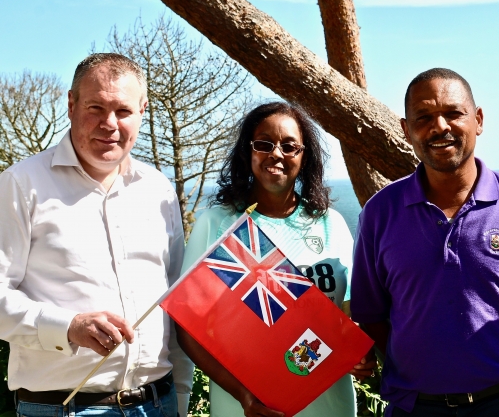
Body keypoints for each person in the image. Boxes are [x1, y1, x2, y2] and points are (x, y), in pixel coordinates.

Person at [350, 68, 499, 416]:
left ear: (478, 120)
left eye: (453, 113)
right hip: (416, 409)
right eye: (424, 117)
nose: (439, 126)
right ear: (406, 130)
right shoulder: (379, 214)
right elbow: (372, 317)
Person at [0, 53, 193, 417]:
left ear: (142, 111)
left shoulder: (159, 190)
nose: (109, 124)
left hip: (159, 404)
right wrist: (68, 328)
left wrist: (180, 399)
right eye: (95, 107)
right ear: (71, 104)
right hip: (63, 410)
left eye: (122, 111)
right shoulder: (20, 186)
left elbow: (176, 302)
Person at [179, 101, 361, 417]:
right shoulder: (217, 224)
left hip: (329, 403)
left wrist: (360, 353)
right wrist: (243, 394)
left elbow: (350, 311)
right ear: (248, 152)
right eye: (264, 144)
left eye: (290, 147)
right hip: (246, 407)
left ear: (304, 158)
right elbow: (187, 327)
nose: (276, 154)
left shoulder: (330, 222)